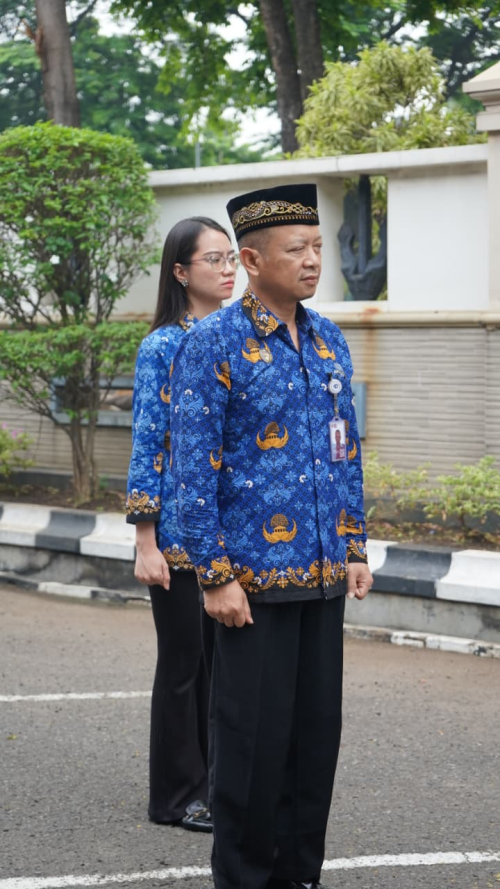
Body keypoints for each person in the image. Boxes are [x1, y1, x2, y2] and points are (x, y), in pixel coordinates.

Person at [170, 184, 373, 888]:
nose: (314, 260)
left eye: (317, 246)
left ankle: (299, 876)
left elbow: (346, 449)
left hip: (323, 576)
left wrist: (354, 545)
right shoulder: (213, 344)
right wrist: (215, 573)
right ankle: (246, 878)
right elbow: (192, 469)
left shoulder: (328, 339)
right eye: (297, 249)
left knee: (314, 742)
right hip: (250, 584)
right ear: (252, 260)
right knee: (251, 746)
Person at [125, 216, 237, 832]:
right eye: (212, 259)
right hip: (173, 535)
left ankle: (215, 785)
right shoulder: (163, 346)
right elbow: (149, 443)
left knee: (221, 669)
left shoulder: (235, 338)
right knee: (183, 665)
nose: (226, 269)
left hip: (226, 532)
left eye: (231, 258)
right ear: (180, 272)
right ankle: (174, 797)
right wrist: (145, 540)